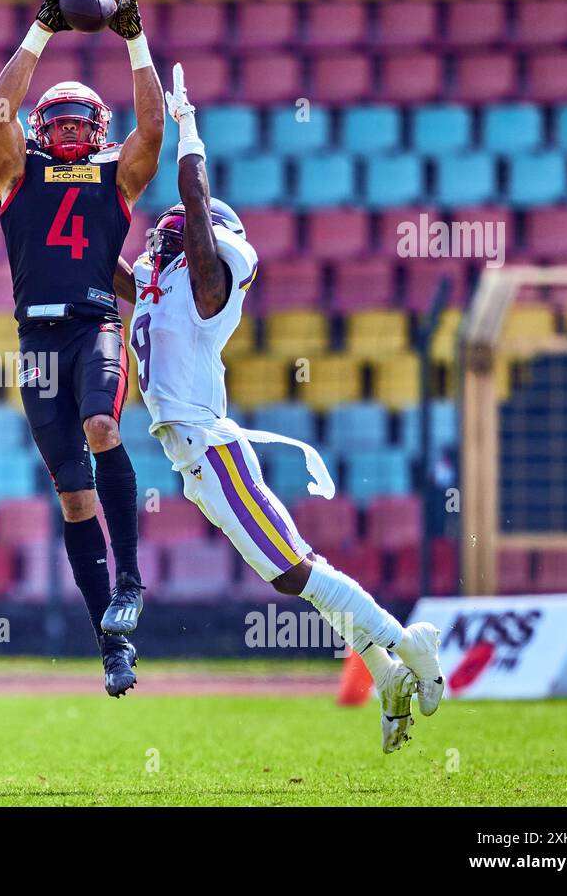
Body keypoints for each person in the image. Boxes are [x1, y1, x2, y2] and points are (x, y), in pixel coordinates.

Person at [125, 66, 444, 751]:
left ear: (203, 236)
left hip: (210, 448)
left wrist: (188, 133)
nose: (158, 241)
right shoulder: (166, 289)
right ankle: (384, 673)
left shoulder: (208, 286)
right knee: (299, 574)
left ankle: (401, 638)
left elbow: (193, 199)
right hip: (193, 460)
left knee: (293, 571)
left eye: (173, 232)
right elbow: (117, 275)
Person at [0, 0, 164, 697]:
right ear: (39, 130)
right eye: (54, 120)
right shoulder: (15, 172)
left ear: (96, 132)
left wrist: (135, 38)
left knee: (100, 424)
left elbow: (152, 130)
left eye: (79, 122)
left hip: (93, 326)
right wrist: (40, 29)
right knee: (72, 499)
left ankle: (130, 578)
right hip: (37, 343)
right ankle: (111, 647)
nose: (66, 130)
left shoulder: (112, 177)